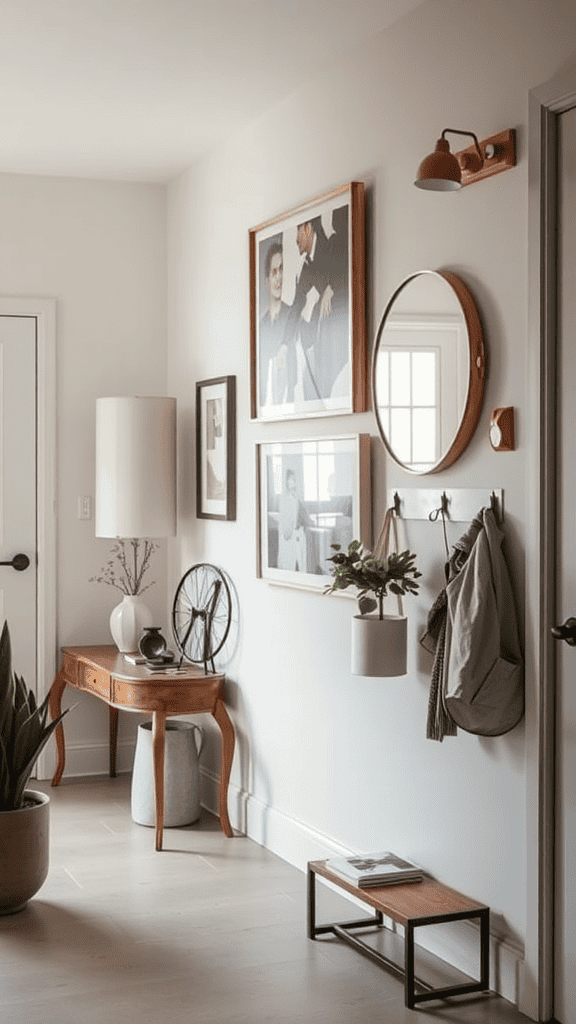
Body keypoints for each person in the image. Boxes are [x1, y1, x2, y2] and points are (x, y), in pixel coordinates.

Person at [284, 210, 349, 402]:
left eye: (298, 231)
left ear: (308, 228)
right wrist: (283, 342)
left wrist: (331, 288)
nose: (296, 240)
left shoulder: (333, 244)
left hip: (339, 331)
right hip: (323, 331)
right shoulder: (307, 267)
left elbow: (347, 270)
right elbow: (296, 305)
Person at [258, 241, 292, 407]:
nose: (279, 276)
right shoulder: (260, 327)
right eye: (274, 271)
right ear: (267, 281)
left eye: (282, 269)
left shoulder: (292, 316)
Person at [278, 469, 311, 571]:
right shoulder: (284, 499)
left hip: (299, 534)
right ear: (286, 482)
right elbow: (285, 522)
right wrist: (289, 532)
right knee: (288, 564)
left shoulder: (297, 498)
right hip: (289, 536)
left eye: (294, 479)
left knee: (301, 564)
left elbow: (305, 517)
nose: (292, 482)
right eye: (290, 479)